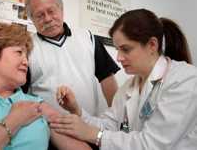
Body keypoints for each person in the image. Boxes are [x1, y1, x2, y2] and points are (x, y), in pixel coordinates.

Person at [49, 9, 197, 150]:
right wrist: (77, 110)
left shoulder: (185, 80)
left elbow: (152, 145)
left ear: (152, 45)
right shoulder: (129, 87)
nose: (118, 58)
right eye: (117, 49)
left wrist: (95, 135)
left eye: (125, 49)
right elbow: (109, 124)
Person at [0, 22, 92, 150]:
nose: (26, 62)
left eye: (26, 55)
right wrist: (15, 119)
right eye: (19, 53)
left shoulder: (37, 105)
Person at [23, 0, 120, 115]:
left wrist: (118, 117)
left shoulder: (87, 37)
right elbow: (20, 95)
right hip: (47, 130)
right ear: (31, 19)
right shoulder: (26, 47)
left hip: (89, 126)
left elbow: (107, 77)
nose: (47, 19)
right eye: (39, 15)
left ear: (62, 10)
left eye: (51, 11)